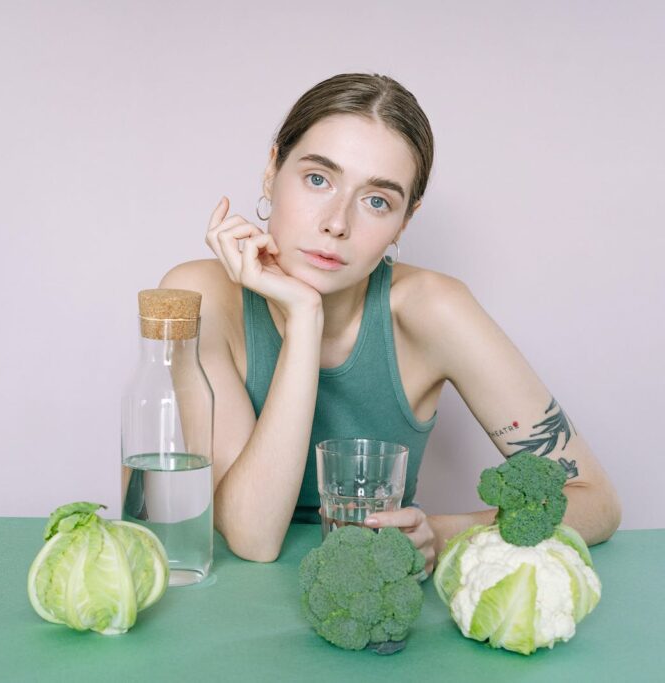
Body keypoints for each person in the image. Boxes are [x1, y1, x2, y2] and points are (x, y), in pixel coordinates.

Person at [159, 73, 621, 572]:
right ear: (272, 170)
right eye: (318, 179)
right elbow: (253, 535)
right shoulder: (198, 297)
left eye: (377, 200)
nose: (337, 222)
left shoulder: (434, 309)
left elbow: (596, 501)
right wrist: (305, 317)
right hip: (233, 604)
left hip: (381, 597)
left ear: (406, 220)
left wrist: (442, 534)